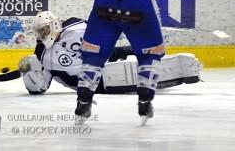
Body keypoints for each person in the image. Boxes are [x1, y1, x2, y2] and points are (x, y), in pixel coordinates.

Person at [19, 11, 201, 95]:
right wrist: (29, 73)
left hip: (101, 57)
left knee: (135, 51)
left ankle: (160, 61)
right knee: (124, 73)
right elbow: (39, 88)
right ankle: (181, 70)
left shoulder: (75, 25)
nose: (42, 35)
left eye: (44, 30)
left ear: (54, 25)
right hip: (91, 82)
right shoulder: (42, 54)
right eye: (39, 32)